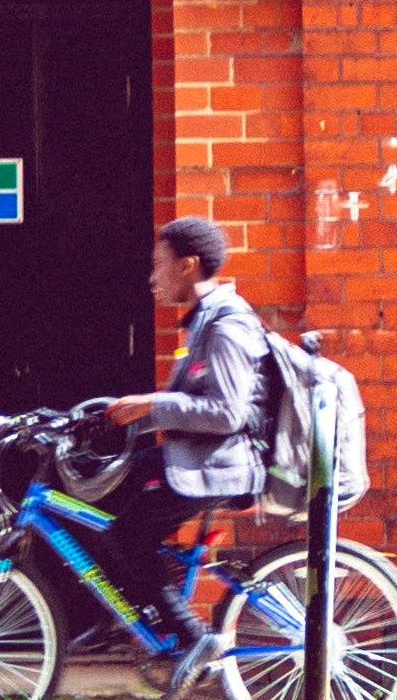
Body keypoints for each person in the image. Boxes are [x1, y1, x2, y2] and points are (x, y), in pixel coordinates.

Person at [96, 216, 271, 659]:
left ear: (188, 265)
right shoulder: (202, 323)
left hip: (219, 464)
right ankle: (155, 616)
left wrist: (153, 405)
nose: (152, 278)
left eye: (159, 265)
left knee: (127, 536)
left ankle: (193, 638)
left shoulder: (226, 324)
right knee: (109, 486)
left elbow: (226, 412)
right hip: (201, 457)